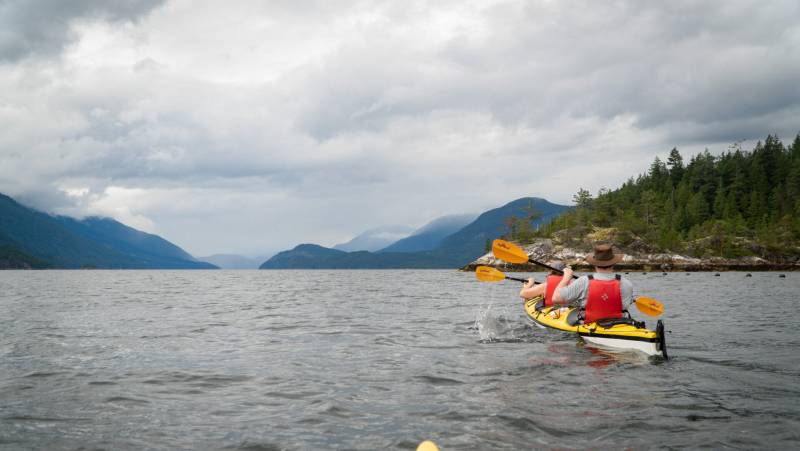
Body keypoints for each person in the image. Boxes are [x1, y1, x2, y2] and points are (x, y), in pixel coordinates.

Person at [552, 243, 633, 324]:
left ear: (594, 263)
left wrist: (566, 277)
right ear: (613, 263)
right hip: (619, 325)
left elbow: (555, 298)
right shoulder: (627, 284)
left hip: (589, 324)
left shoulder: (583, 281)